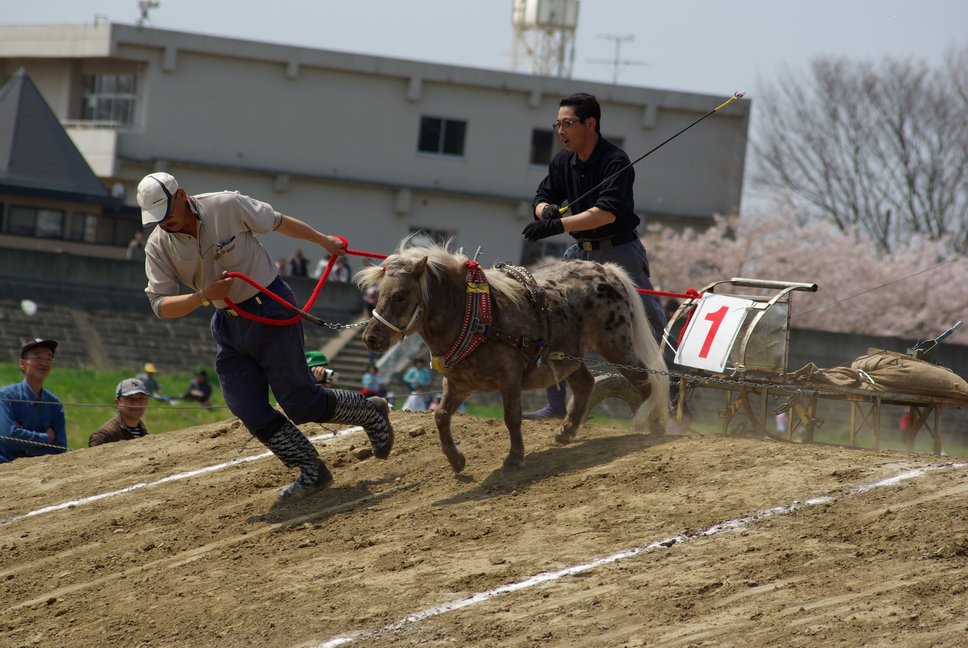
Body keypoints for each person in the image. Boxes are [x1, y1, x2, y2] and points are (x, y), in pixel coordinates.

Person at [137, 171, 394, 500]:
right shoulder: (158, 246)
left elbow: (278, 222)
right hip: (228, 322)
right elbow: (160, 305)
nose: (164, 223)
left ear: (182, 196)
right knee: (246, 405)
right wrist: (203, 295)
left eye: (167, 214)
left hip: (272, 307)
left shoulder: (226, 204)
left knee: (300, 403)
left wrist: (323, 241)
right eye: (156, 219)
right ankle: (311, 470)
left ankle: (368, 410)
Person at [521, 92, 672, 420]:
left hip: (620, 254)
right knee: (553, 319)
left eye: (567, 123)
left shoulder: (615, 161)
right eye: (558, 124)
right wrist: (544, 210)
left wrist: (555, 225)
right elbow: (542, 195)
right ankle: (556, 404)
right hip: (580, 254)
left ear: (590, 124)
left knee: (651, 325)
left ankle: (675, 404)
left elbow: (606, 213)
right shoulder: (563, 161)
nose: (561, 130)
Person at [0, 338, 67, 462]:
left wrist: (22, 436)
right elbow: (7, 437)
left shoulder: (54, 404)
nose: (44, 363)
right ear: (22, 364)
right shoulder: (5, 396)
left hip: (39, 470)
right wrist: (46, 438)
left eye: (48, 358)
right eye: (37, 357)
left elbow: (60, 447)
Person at [89, 378, 150, 446]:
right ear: (118, 402)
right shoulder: (104, 436)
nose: (136, 403)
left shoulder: (145, 434)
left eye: (141, 398)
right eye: (130, 398)